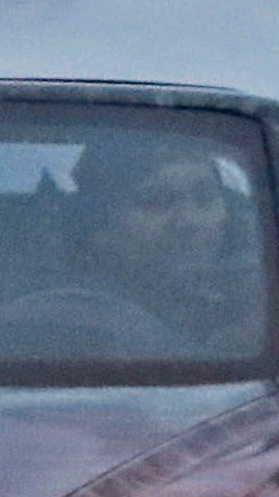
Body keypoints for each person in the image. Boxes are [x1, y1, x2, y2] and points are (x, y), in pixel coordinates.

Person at [65, 136, 267, 352]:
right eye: (156, 201)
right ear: (100, 223)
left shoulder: (266, 293)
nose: (188, 221)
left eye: (205, 197)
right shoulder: (70, 315)